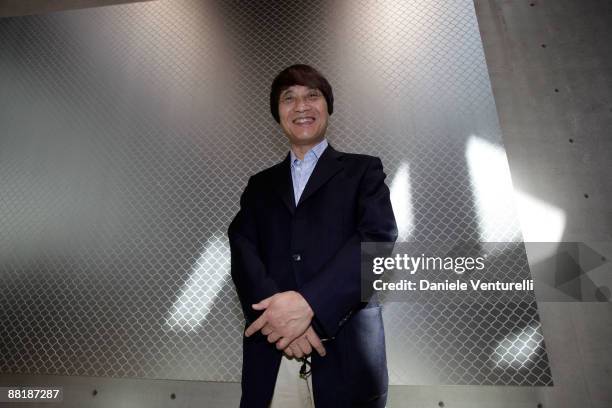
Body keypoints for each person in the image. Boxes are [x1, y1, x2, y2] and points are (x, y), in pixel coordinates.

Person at [228, 64, 397, 408]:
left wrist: (310, 305)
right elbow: (242, 247)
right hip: (273, 352)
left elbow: (376, 241)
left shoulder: (364, 170)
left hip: (347, 353)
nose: (301, 106)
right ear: (277, 114)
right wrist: (280, 319)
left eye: (312, 96)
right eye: (288, 98)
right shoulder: (259, 185)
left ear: (328, 107)